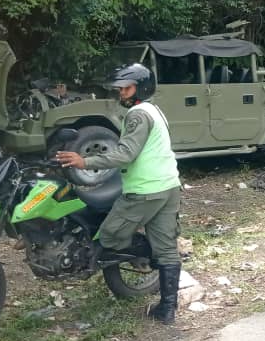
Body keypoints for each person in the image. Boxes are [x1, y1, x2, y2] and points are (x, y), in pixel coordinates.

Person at [55, 63, 183, 325]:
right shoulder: (154, 110)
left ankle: (119, 261)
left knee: (109, 235)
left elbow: (126, 153)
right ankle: (167, 310)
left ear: (141, 87)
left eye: (126, 88)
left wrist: (85, 162)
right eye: (120, 89)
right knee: (167, 249)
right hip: (168, 186)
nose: (121, 93)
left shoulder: (137, 114)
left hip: (145, 191)